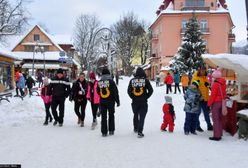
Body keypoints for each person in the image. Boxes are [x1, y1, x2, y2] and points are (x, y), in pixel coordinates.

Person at [127, 67, 153, 138]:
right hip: (143, 102)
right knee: (142, 116)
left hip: (135, 102)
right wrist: (146, 97)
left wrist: (133, 97)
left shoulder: (132, 81)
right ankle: (140, 131)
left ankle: (135, 128)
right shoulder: (146, 81)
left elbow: (129, 91)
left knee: (135, 114)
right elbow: (151, 90)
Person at [97, 68, 120, 137]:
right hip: (111, 102)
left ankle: (104, 132)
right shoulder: (112, 82)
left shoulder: (99, 82)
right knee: (111, 115)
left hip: (102, 102)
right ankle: (111, 130)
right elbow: (115, 92)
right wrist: (117, 101)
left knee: (103, 116)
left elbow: (98, 91)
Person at [191, 66, 213, 132]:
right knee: (198, 113)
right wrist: (199, 96)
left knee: (206, 113)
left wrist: (208, 85)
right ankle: (197, 126)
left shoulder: (205, 77)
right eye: (202, 71)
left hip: (205, 98)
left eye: (204, 71)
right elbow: (194, 88)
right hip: (199, 99)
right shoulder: (196, 77)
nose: (203, 72)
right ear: (199, 70)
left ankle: (209, 126)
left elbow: (207, 85)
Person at [208, 68, 226, 141]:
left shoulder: (215, 84)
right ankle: (220, 133)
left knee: (215, 120)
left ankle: (216, 136)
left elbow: (213, 96)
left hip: (216, 103)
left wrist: (209, 104)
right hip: (222, 102)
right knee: (219, 119)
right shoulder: (223, 83)